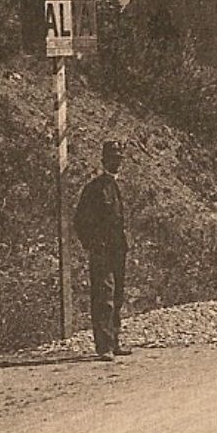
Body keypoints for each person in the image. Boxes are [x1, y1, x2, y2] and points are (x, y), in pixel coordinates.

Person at [73, 139, 130, 362]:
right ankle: (103, 346)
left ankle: (115, 341)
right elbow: (80, 221)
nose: (117, 161)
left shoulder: (117, 187)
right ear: (104, 159)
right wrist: (92, 244)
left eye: (119, 158)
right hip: (102, 251)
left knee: (117, 296)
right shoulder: (94, 189)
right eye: (113, 158)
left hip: (118, 250)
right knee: (103, 296)